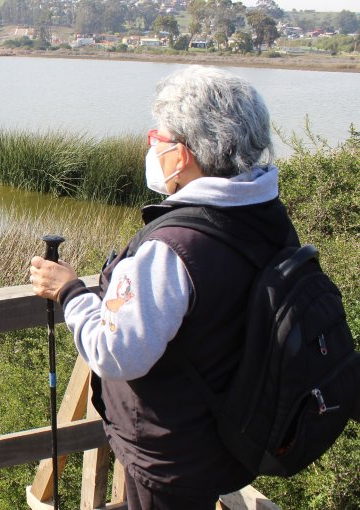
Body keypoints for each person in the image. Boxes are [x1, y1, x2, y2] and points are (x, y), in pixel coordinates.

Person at [29, 66, 298, 509]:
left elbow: (115, 353)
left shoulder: (172, 249)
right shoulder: (264, 215)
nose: (151, 147)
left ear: (185, 153)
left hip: (172, 454)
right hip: (228, 436)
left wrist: (71, 293)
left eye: (159, 138)